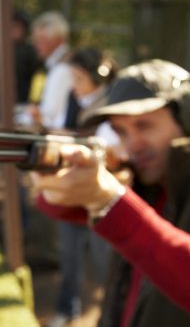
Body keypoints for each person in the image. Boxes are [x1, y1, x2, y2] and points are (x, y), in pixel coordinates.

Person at [31, 59, 190, 327]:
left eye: (144, 126)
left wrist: (109, 199)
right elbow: (59, 207)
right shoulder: (149, 174)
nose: (132, 144)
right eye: (121, 131)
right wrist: (58, 176)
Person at [47, 47, 119, 327]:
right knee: (69, 254)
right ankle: (68, 308)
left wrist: (70, 140)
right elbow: (62, 127)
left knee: (106, 264)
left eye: (79, 78)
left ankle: (110, 316)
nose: (74, 85)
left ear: (97, 78)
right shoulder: (73, 97)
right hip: (73, 190)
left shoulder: (113, 105)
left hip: (103, 196)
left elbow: (111, 149)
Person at [28, 11, 73, 130]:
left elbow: (49, 113)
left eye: (42, 39)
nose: (37, 45)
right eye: (36, 40)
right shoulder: (58, 65)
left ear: (59, 39)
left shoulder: (62, 68)